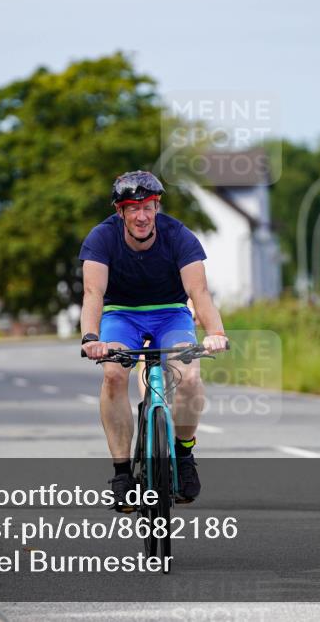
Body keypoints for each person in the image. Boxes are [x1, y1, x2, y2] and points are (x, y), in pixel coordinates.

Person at [79, 171, 228, 511]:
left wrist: (216, 333)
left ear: (157, 207)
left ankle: (184, 452)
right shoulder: (101, 238)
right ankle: (121, 474)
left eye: (149, 207)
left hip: (171, 314)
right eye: (133, 208)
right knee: (114, 374)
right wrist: (91, 338)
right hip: (121, 316)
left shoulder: (179, 236)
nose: (142, 216)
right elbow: (93, 293)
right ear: (120, 212)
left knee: (189, 375)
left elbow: (199, 293)